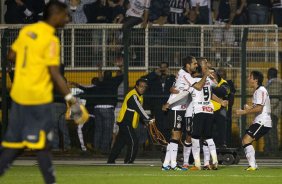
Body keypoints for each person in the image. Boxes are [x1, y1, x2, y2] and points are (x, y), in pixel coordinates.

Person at [0, 1, 86, 183]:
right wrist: (71, 100)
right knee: (38, 144)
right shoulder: (51, 39)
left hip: (19, 96)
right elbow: (55, 73)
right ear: (55, 15)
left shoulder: (26, 31)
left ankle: (50, 180)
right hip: (37, 98)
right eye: (65, 15)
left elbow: (11, 55)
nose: (67, 19)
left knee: (20, 144)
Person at [161, 56, 211, 171]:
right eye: (194, 64)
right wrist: (206, 75)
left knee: (175, 136)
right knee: (175, 136)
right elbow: (198, 87)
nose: (196, 65)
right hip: (176, 108)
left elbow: (183, 91)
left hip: (179, 108)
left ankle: (166, 164)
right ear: (188, 65)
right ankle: (173, 165)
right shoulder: (185, 75)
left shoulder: (183, 74)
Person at [107, 78, 155, 164]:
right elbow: (139, 109)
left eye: (145, 87)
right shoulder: (133, 96)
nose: (143, 88)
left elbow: (137, 111)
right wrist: (148, 119)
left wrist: (144, 121)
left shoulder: (139, 96)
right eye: (141, 86)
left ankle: (111, 160)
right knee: (134, 142)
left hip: (125, 123)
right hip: (126, 122)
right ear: (136, 86)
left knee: (119, 143)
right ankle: (129, 161)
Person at [236, 70, 272, 171]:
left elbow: (259, 108)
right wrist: (248, 108)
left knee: (246, 140)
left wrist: (244, 112)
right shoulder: (258, 90)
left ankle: (252, 166)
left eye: (250, 77)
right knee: (246, 140)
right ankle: (253, 165)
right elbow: (257, 106)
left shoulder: (260, 90)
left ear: (255, 80)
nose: (248, 79)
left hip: (262, 121)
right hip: (260, 121)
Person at [145, 62, 175, 140]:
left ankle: (167, 141)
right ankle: (160, 141)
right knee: (158, 124)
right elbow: (144, 80)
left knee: (168, 124)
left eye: (165, 68)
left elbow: (177, 83)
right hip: (156, 105)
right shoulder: (154, 78)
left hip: (168, 105)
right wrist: (155, 73)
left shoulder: (171, 78)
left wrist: (170, 74)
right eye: (161, 67)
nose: (163, 70)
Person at [210, 68, 230, 148]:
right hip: (209, 109)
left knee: (221, 128)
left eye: (212, 73)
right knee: (209, 130)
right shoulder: (206, 82)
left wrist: (213, 85)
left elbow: (223, 91)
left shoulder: (224, 83)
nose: (210, 75)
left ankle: (222, 144)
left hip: (221, 109)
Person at [213, 0, 237, 67]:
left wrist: (229, 22)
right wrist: (215, 21)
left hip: (228, 23)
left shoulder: (232, 1)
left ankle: (228, 60)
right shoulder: (218, 1)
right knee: (217, 41)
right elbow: (216, 10)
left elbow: (233, 12)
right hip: (218, 22)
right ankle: (218, 59)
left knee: (230, 42)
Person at [264, 68, 282, 152]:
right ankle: (269, 149)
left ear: (270, 74)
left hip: (272, 111)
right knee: (268, 130)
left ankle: (273, 150)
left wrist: (267, 110)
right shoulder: (273, 82)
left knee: (271, 131)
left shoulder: (276, 82)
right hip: (270, 111)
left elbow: (274, 99)